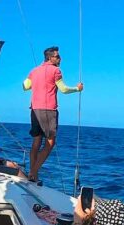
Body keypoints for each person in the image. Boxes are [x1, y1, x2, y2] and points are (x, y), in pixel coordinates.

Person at [23, 46, 83, 183]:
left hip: (34, 109)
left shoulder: (34, 71)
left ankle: (33, 175)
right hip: (48, 110)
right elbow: (63, 89)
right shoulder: (56, 71)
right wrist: (77, 89)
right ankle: (33, 172)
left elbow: (25, 86)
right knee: (50, 142)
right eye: (57, 56)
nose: (60, 58)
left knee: (36, 141)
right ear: (50, 58)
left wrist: (38, 84)